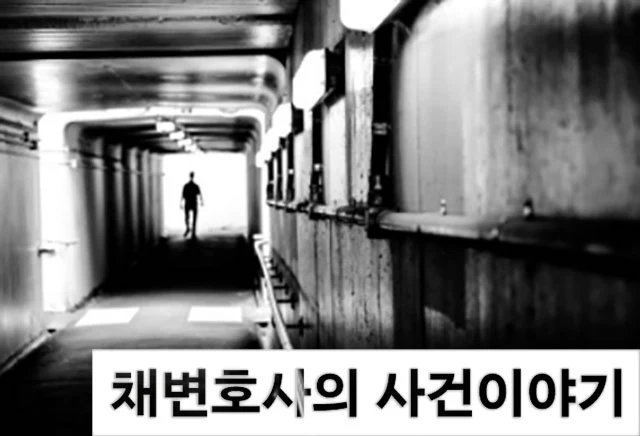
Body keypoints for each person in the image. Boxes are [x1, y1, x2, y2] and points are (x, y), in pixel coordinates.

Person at [181, 172, 203, 238]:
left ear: (189, 176)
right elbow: (200, 194)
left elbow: (183, 195)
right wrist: (201, 201)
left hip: (188, 203)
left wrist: (181, 203)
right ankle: (192, 232)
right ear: (193, 176)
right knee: (194, 218)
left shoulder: (186, 186)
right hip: (193, 203)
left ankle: (188, 228)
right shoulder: (195, 186)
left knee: (187, 217)